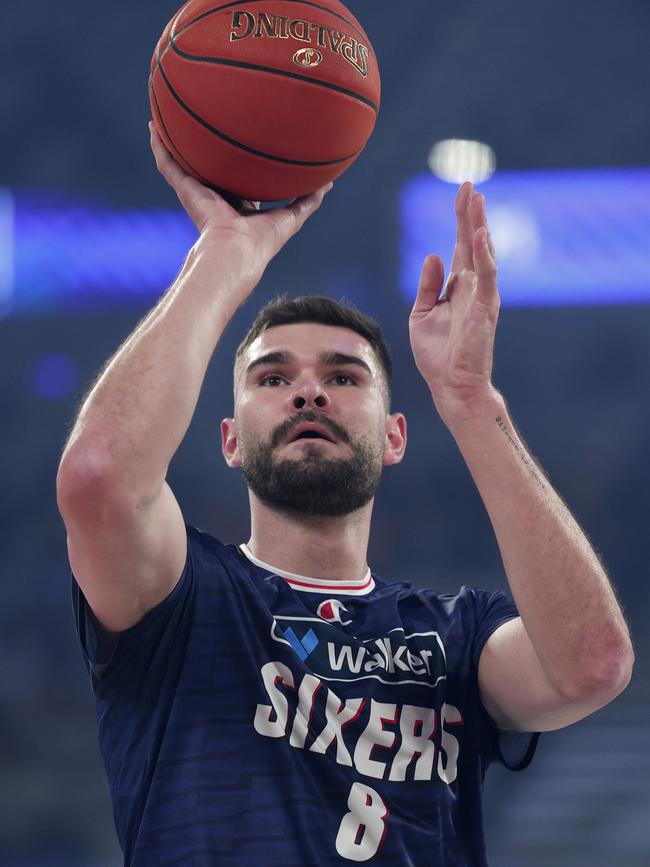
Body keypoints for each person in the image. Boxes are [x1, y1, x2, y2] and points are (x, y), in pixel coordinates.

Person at [56, 123, 634, 867]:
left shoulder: (455, 637)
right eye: (272, 377)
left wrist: (470, 401)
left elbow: (591, 665)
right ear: (229, 440)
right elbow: (98, 476)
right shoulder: (183, 598)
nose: (308, 390)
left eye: (343, 376)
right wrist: (229, 252)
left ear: (395, 436)